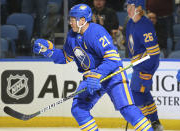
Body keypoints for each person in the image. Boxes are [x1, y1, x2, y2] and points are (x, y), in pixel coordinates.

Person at [33, 4, 154, 131]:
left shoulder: (97, 32)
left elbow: (113, 59)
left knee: (127, 109)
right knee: (79, 109)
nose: (70, 22)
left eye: (73, 19)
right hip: (92, 77)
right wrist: (49, 51)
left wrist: (97, 75)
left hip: (113, 74)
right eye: (70, 19)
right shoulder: (71, 36)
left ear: (83, 20)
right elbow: (66, 57)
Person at [126, 0, 163, 130]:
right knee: (144, 94)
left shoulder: (146, 25)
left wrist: (148, 72)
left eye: (130, 7)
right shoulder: (130, 23)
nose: (127, 9)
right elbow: (132, 48)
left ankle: (146, 125)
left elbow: (154, 53)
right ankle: (155, 123)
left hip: (145, 67)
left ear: (138, 8)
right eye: (127, 7)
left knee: (136, 94)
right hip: (137, 66)